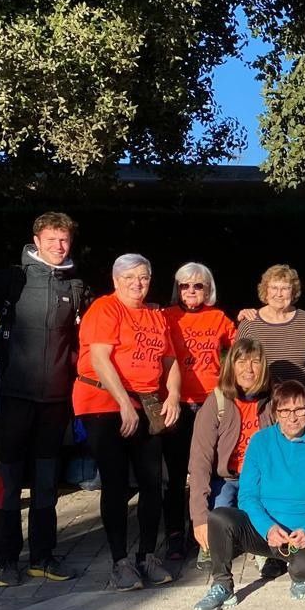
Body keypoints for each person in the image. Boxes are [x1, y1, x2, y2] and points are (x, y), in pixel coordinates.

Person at [0, 212, 86, 587]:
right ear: (36, 239)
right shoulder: (12, 278)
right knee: (9, 482)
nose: (59, 247)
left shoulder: (76, 285)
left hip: (55, 401)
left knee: (46, 484)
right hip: (13, 397)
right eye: (52, 239)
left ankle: (43, 557)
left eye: (64, 240)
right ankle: (5, 560)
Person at [74, 253, 182, 591]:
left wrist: (174, 395)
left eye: (144, 277)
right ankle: (120, 562)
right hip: (103, 403)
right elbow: (99, 358)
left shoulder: (155, 313)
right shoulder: (105, 309)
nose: (137, 283)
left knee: (153, 481)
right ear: (116, 280)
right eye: (130, 278)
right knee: (116, 482)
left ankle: (147, 555)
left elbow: (170, 360)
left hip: (145, 401)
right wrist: (122, 402)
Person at [193, 381, 305, 610]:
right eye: (285, 411)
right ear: (275, 413)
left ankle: (296, 570)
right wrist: (268, 528)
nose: (293, 418)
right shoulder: (260, 442)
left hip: (298, 533)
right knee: (219, 518)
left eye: (300, 410)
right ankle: (222, 584)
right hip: (263, 532)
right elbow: (248, 496)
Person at [161, 262, 235, 562]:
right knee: (174, 474)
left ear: (208, 289)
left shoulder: (217, 317)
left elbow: (242, 347)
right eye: (184, 285)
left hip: (210, 404)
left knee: (210, 472)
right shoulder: (166, 317)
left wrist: (249, 316)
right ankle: (176, 535)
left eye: (198, 285)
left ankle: (208, 531)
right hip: (176, 404)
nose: (191, 291)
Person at [186, 335, 272, 562]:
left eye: (255, 361)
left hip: (262, 479)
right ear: (231, 366)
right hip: (226, 478)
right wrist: (200, 519)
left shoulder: (274, 399)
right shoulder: (216, 401)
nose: (249, 369)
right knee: (218, 519)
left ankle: (263, 550)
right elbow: (200, 461)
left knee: (264, 516)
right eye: (242, 362)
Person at [235, 265, 305, 400]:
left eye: (285, 288)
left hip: (304, 402)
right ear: (265, 291)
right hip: (263, 401)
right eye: (274, 288)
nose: (279, 294)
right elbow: (237, 363)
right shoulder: (250, 322)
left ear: (293, 292)